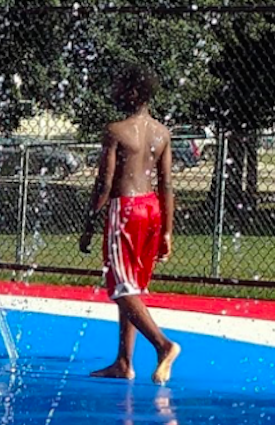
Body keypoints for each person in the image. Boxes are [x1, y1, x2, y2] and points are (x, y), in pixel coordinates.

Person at [79, 63, 181, 385]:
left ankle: (164, 345)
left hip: (125, 210)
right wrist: (167, 229)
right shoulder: (162, 133)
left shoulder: (116, 131)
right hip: (151, 210)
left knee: (120, 287)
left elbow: (104, 182)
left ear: (133, 92)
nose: (115, 93)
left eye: (120, 88)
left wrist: (88, 223)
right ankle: (124, 362)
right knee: (132, 286)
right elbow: (166, 185)